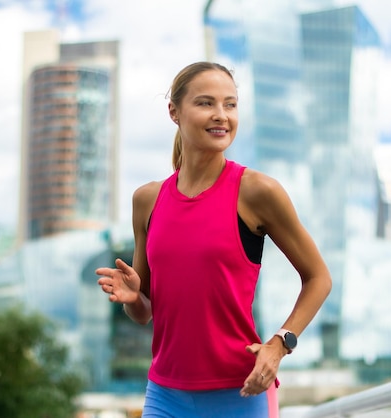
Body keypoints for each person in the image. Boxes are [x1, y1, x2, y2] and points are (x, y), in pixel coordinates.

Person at [95, 61, 332, 417]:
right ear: (174, 112)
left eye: (230, 104)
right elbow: (143, 312)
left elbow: (319, 278)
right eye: (206, 103)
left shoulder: (257, 191)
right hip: (164, 394)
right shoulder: (146, 200)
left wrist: (280, 343)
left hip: (239, 394)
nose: (221, 115)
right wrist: (132, 297)